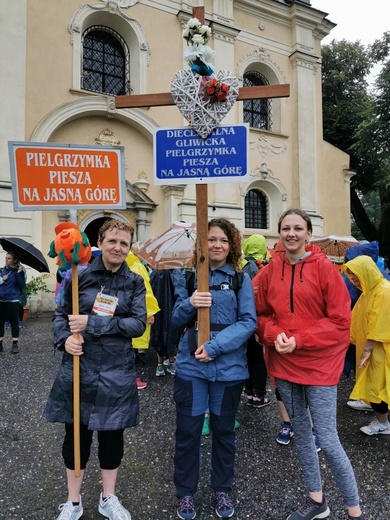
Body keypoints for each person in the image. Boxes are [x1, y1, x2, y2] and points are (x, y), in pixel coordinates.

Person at [254, 209, 364, 520]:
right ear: (279, 233)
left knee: (327, 439)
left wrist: (298, 340)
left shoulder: (326, 271)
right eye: (286, 228)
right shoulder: (268, 272)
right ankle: (317, 501)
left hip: (320, 365)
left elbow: (341, 321)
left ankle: (355, 511)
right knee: (301, 433)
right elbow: (259, 315)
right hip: (284, 364)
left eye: (298, 228)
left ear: (308, 234)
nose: (291, 233)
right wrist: (274, 335)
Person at [43, 219, 147, 520]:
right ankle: (73, 502)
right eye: (112, 241)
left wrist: (93, 323)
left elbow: (138, 324)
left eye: (124, 243)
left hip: (117, 371)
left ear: (129, 248)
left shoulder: (135, 281)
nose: (117, 248)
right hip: (80, 367)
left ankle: (108, 497)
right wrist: (65, 340)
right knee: (76, 436)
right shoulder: (79, 275)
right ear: (100, 242)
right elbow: (60, 316)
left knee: (113, 438)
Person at [171, 217, 257, 520]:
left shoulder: (239, 278)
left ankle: (222, 488)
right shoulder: (188, 276)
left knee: (223, 431)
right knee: (188, 432)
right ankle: (186, 493)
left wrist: (215, 346)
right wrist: (190, 303)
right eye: (211, 239)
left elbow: (248, 322)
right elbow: (174, 321)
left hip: (228, 370)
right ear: (202, 243)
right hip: (191, 369)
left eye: (223, 240)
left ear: (231, 244)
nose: (217, 245)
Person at [343, 255, 390, 435]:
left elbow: (381, 322)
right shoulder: (368, 292)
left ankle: (383, 424)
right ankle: (375, 411)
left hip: (380, 351)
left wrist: (367, 350)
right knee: (372, 383)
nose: (355, 282)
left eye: (357, 277)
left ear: (367, 273)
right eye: (352, 278)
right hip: (369, 349)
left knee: (378, 386)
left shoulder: (383, 291)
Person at [241, 234, 271, 408]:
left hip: (244, 321)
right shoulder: (264, 267)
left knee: (247, 356)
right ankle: (259, 394)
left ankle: (249, 391)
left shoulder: (242, 266)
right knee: (259, 358)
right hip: (259, 320)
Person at [126, 248, 160, 389]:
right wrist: (149, 313)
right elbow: (146, 292)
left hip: (121, 315)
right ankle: (131, 380)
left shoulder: (119, 264)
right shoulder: (137, 266)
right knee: (130, 348)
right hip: (136, 314)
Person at [149, 268, 181, 377]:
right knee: (172, 335)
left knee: (158, 335)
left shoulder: (154, 273)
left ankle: (160, 365)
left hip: (156, 309)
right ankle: (172, 363)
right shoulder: (175, 273)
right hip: (172, 309)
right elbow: (179, 292)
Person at [0, 252, 26, 354]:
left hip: (13, 300)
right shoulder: (2, 270)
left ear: (14, 260)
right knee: (0, 322)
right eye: (6, 258)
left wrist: (19, 274)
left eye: (9, 258)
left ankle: (15, 345)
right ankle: (0, 345)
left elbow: (21, 286)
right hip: (1, 300)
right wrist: (2, 278)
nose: (6, 260)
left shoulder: (18, 272)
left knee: (14, 322)